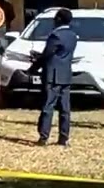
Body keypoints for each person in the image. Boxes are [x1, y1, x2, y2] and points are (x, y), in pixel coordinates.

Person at [27, 8, 77, 147]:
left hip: (52, 76)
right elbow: (60, 54)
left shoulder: (56, 35)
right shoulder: (72, 35)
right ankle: (63, 138)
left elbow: (47, 54)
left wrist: (33, 68)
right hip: (65, 75)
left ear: (59, 19)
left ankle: (43, 137)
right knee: (65, 109)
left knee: (48, 106)